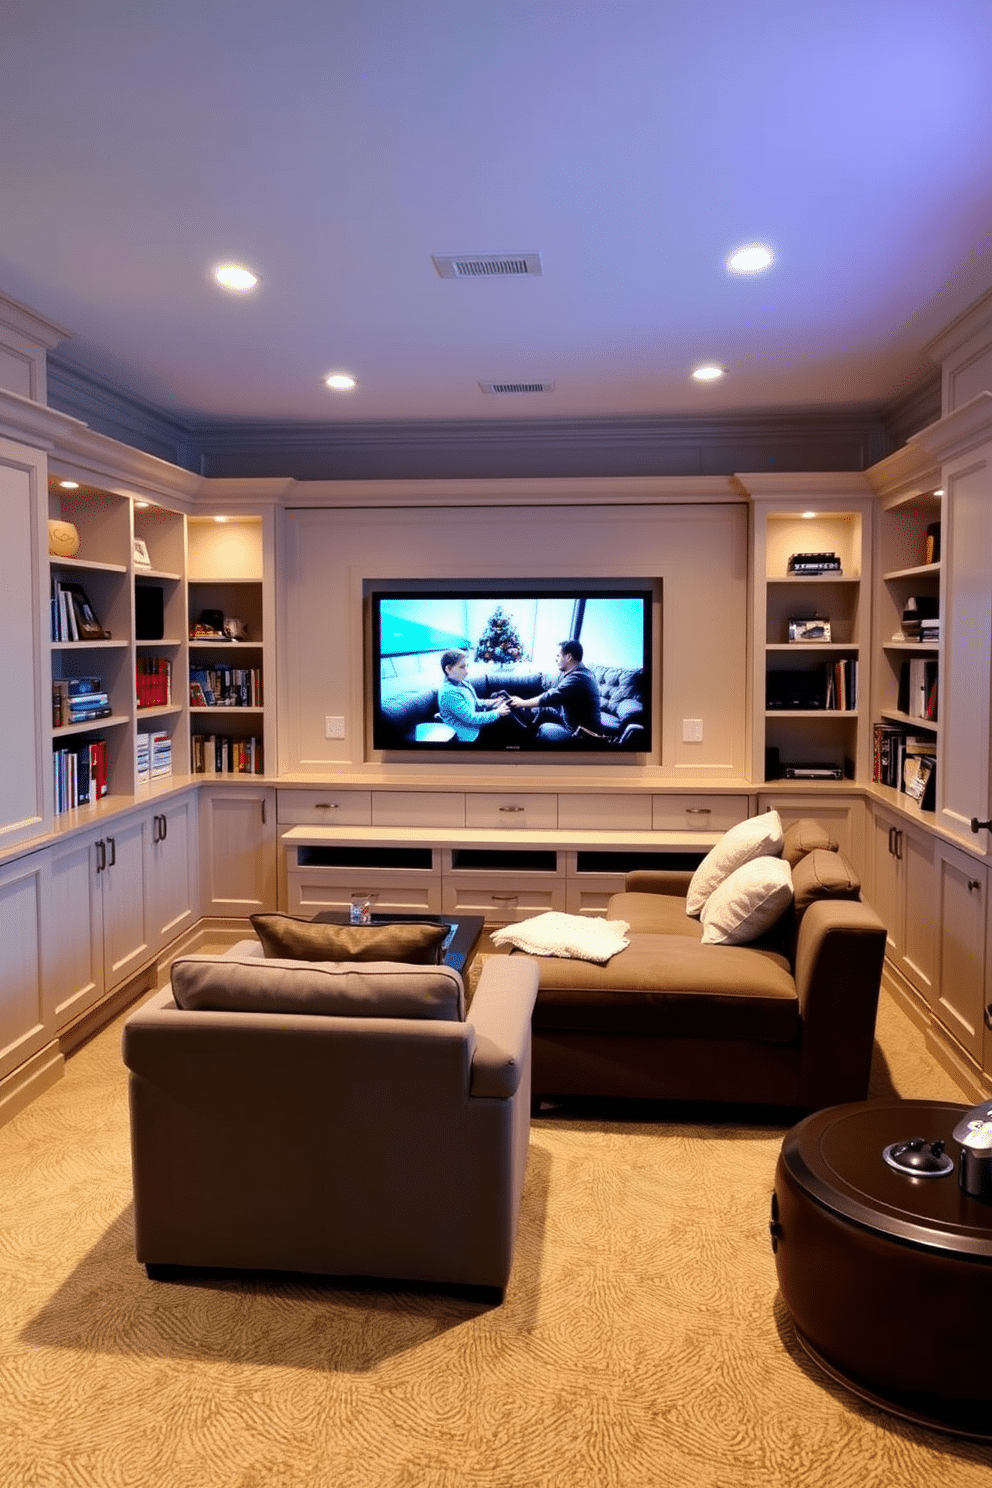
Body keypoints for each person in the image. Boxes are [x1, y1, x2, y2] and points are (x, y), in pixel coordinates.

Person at [508, 640, 602, 741]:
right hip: (571, 721)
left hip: (579, 733)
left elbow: (550, 697)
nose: (555, 659)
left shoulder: (578, 678)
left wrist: (522, 703)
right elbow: (558, 699)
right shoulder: (582, 673)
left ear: (569, 657)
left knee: (543, 726)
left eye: (558, 656)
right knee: (540, 710)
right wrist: (528, 707)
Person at [437, 649, 511, 742]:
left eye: (466, 666)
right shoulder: (448, 693)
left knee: (508, 720)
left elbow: (475, 702)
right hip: (467, 737)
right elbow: (470, 717)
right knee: (506, 726)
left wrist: (494, 702)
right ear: (448, 669)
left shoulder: (463, 682)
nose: (467, 671)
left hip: (476, 728)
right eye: (462, 667)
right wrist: (497, 713)